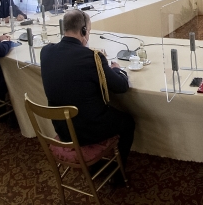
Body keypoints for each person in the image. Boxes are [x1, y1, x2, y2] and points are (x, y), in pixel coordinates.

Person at [40, 10, 135, 169]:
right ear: (83, 30)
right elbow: (121, 86)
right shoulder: (92, 57)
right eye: (89, 31)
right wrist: (117, 70)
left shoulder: (46, 51)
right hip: (88, 130)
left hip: (62, 128)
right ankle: (119, 172)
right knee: (128, 122)